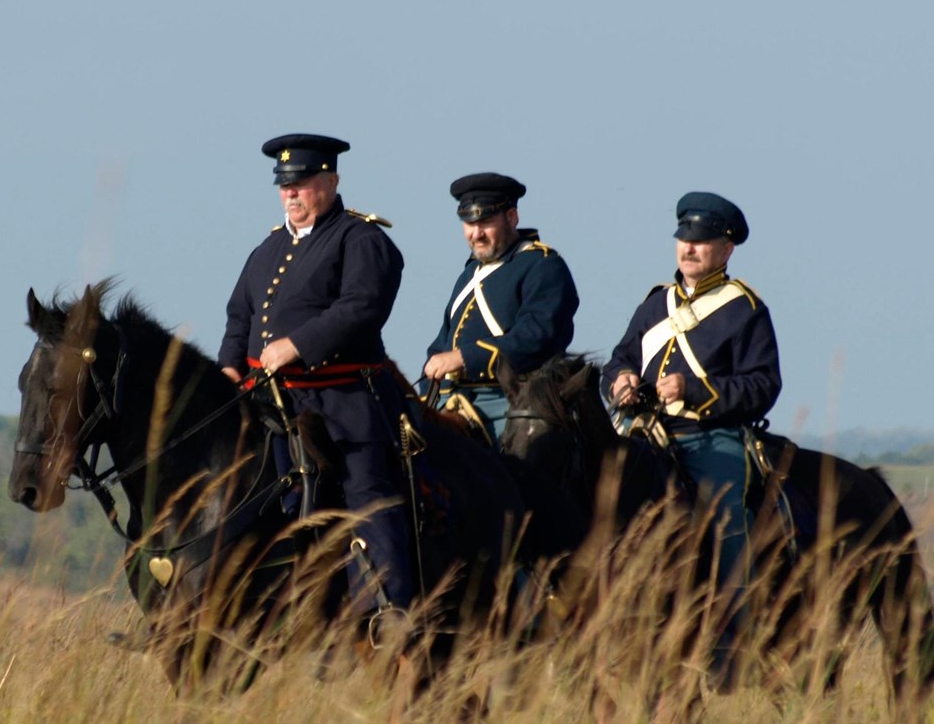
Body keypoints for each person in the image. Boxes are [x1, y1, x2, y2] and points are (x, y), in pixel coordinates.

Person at [218, 133, 412, 614]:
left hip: (343, 402)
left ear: (331, 181)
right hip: (272, 407)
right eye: (285, 185)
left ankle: (385, 611)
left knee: (368, 499)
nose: (292, 193)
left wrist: (298, 345)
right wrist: (227, 367)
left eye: (302, 183)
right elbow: (239, 315)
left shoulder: (362, 239)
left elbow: (362, 307)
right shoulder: (268, 248)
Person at [602, 191, 781, 675]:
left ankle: (730, 641)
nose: (689, 248)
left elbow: (763, 384)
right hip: (642, 433)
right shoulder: (654, 303)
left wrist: (694, 389)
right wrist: (619, 381)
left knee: (725, 517)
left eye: (701, 241)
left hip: (709, 436)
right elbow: (621, 357)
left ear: (726, 248)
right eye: (684, 239)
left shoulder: (744, 309)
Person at [423, 173, 579, 443]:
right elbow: (442, 344)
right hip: (453, 399)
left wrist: (465, 358)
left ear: (512, 217)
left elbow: (539, 335)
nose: (476, 234)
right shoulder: (470, 272)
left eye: (485, 222)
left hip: (510, 400)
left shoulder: (542, 265)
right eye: (469, 223)